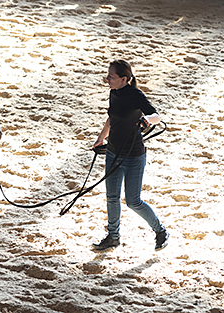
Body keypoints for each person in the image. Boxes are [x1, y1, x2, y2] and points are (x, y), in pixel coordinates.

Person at [92, 60, 169, 251]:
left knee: (133, 201)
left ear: (124, 79)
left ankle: (160, 231)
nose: (107, 79)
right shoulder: (114, 93)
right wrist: (101, 138)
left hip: (134, 156)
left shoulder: (136, 95)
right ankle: (113, 236)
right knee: (112, 197)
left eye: (111, 76)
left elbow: (156, 116)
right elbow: (112, 117)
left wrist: (146, 119)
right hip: (112, 152)